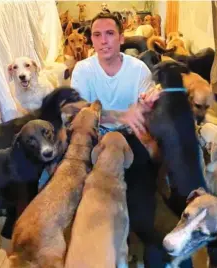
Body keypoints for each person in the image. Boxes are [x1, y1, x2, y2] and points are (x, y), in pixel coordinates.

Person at [71, 12, 169, 267]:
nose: (103, 41)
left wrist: (146, 107)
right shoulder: (83, 69)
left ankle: (148, 245)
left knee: (141, 209)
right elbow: (77, 110)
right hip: (94, 138)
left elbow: (146, 107)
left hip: (130, 138)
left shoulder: (138, 70)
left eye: (110, 34)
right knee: (87, 205)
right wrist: (117, 114)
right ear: (92, 39)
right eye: (97, 35)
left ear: (121, 38)